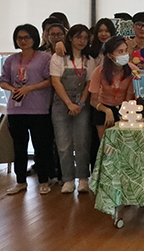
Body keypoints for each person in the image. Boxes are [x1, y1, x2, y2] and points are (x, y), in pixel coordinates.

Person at [0, 24, 55, 195]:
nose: (23, 41)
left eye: (27, 37)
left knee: (41, 146)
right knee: (19, 147)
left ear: (34, 38)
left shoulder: (44, 57)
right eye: (19, 38)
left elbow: (50, 80)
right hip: (16, 110)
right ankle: (20, 181)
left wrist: (29, 88)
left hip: (39, 109)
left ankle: (44, 181)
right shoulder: (11, 59)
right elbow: (3, 80)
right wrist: (13, 89)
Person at [50, 24, 95, 194]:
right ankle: (68, 179)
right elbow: (56, 82)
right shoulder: (58, 57)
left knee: (82, 142)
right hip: (61, 104)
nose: (82, 41)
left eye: (85, 38)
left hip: (82, 105)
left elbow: (89, 84)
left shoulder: (89, 60)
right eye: (78, 37)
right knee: (63, 144)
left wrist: (80, 103)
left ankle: (83, 178)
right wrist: (69, 104)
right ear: (70, 38)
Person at [89, 36, 137, 138]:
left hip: (125, 108)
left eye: (125, 51)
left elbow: (131, 97)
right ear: (110, 55)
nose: (124, 54)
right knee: (106, 141)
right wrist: (107, 110)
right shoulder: (99, 72)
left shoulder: (133, 70)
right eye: (120, 52)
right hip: (103, 108)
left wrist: (125, 113)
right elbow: (93, 100)